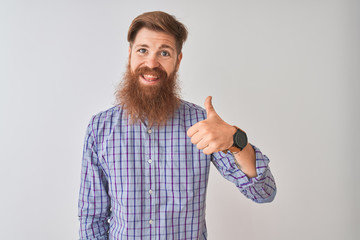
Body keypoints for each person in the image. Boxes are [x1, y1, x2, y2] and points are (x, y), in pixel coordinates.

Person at [78, 11, 276, 240]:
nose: (151, 63)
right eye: (143, 50)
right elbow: (92, 217)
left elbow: (264, 193)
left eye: (164, 53)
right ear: (130, 54)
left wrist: (235, 140)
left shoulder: (201, 124)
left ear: (177, 60)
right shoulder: (100, 128)